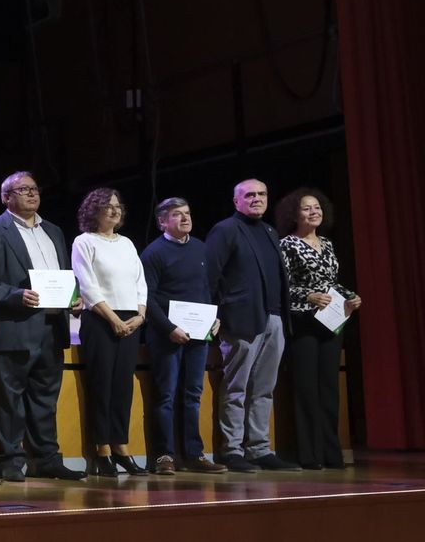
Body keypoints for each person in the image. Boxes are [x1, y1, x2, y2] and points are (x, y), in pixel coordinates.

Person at [0, 172, 87, 482]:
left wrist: (73, 298)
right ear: (5, 197)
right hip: (15, 326)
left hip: (52, 326)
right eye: (22, 190)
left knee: (45, 399)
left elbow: (63, 276)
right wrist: (14, 295)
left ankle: (47, 459)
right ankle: (10, 460)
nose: (31, 194)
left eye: (34, 189)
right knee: (9, 400)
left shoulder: (53, 230)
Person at [206, 179, 300, 472]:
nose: (256, 199)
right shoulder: (226, 230)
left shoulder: (271, 231)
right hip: (241, 320)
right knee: (237, 387)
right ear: (237, 202)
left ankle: (259, 449)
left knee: (264, 388)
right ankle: (231, 449)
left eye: (261, 194)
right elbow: (211, 275)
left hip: (273, 318)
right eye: (249, 195)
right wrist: (215, 314)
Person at [276, 188, 361, 469]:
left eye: (317, 208)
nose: (314, 212)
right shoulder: (287, 244)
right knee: (306, 389)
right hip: (304, 322)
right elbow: (283, 286)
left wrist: (350, 296)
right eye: (306, 208)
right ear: (294, 215)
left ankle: (330, 452)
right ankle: (309, 454)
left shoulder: (327, 244)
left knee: (329, 389)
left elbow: (331, 282)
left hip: (331, 322)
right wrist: (308, 296)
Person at [140, 198, 227, 475]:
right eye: (177, 214)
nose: (185, 218)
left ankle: (194, 454)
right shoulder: (153, 253)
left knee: (193, 395)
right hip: (167, 334)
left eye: (187, 213)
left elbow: (212, 289)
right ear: (162, 221)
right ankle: (164, 455)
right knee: (166, 395)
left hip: (199, 334)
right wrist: (168, 328)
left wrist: (216, 317)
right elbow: (147, 297)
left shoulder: (202, 248)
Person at [70, 188, 149, 477]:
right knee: (101, 386)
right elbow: (87, 285)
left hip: (131, 320)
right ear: (93, 211)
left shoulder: (127, 243)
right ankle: (101, 448)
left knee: (122, 387)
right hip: (101, 319)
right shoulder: (84, 242)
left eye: (118, 206)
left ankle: (121, 446)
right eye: (107, 207)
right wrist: (114, 319)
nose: (114, 211)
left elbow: (141, 281)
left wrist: (140, 315)